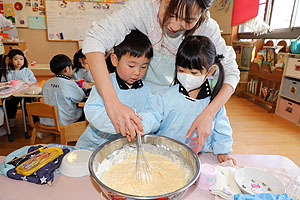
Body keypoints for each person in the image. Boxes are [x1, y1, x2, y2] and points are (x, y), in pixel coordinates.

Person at [82, 0, 240, 153]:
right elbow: (95, 39)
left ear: (202, 14)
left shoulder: (207, 28)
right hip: (148, 104)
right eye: (171, 13)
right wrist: (113, 103)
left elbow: (231, 72)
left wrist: (209, 113)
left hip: (166, 101)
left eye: (188, 20)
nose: (174, 26)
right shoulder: (143, 8)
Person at [141, 36, 235, 164]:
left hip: (200, 157)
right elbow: (152, 115)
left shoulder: (213, 103)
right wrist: (142, 123)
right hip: (165, 155)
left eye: (194, 73)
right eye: (181, 70)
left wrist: (222, 151)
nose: (186, 77)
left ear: (210, 71)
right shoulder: (165, 96)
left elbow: (222, 129)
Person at [76, 30, 153, 149]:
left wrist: (141, 123)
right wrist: (123, 124)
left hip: (125, 147)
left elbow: (150, 113)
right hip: (95, 146)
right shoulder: (105, 84)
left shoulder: (146, 89)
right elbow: (92, 111)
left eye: (143, 67)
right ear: (115, 60)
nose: (137, 72)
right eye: (131, 66)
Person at [41, 54, 86, 127]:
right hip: (65, 121)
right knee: (83, 110)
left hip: (47, 120)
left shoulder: (46, 83)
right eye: (71, 67)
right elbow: (80, 97)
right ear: (67, 69)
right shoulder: (69, 83)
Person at [0, 49, 36, 127]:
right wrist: (7, 83)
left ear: (24, 60)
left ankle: (28, 117)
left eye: (21, 59)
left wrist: (28, 83)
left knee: (28, 102)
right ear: (10, 60)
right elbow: (2, 83)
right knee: (10, 103)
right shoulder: (8, 72)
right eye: (15, 59)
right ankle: (11, 118)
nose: (19, 61)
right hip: (13, 94)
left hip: (25, 93)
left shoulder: (27, 71)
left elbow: (34, 81)